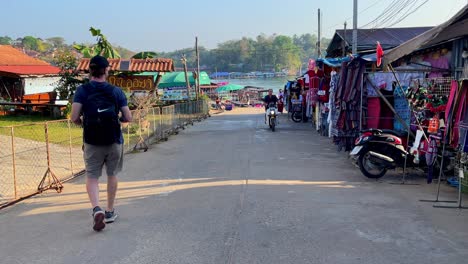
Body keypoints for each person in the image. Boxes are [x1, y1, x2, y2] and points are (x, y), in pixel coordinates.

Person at [71, 55, 132, 232]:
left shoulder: (82, 90)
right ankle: (110, 211)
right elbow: (128, 117)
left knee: (92, 177)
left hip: (91, 140)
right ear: (107, 70)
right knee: (112, 175)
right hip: (114, 139)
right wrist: (118, 118)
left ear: (90, 71)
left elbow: (74, 117)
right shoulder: (116, 91)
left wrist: (83, 123)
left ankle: (96, 208)